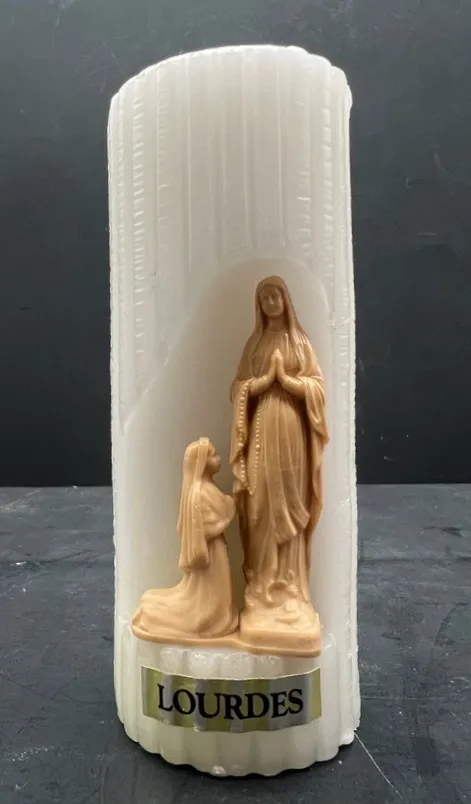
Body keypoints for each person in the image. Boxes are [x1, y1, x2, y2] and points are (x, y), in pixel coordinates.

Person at [230, 276, 328, 646]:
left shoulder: (300, 343)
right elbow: (237, 387)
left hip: (291, 431)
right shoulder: (254, 344)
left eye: (276, 296)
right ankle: (263, 584)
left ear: (286, 300)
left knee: (290, 501)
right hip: (261, 428)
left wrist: (288, 381)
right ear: (259, 305)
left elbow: (318, 386)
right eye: (264, 297)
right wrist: (258, 384)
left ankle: (290, 587)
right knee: (261, 504)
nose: (271, 302)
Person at [133, 438, 238, 642]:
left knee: (216, 590)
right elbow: (210, 522)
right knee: (207, 595)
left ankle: (217, 613)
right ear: (201, 462)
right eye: (213, 455)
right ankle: (211, 619)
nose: (218, 459)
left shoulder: (206, 488)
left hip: (217, 550)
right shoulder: (201, 492)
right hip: (212, 552)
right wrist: (231, 507)